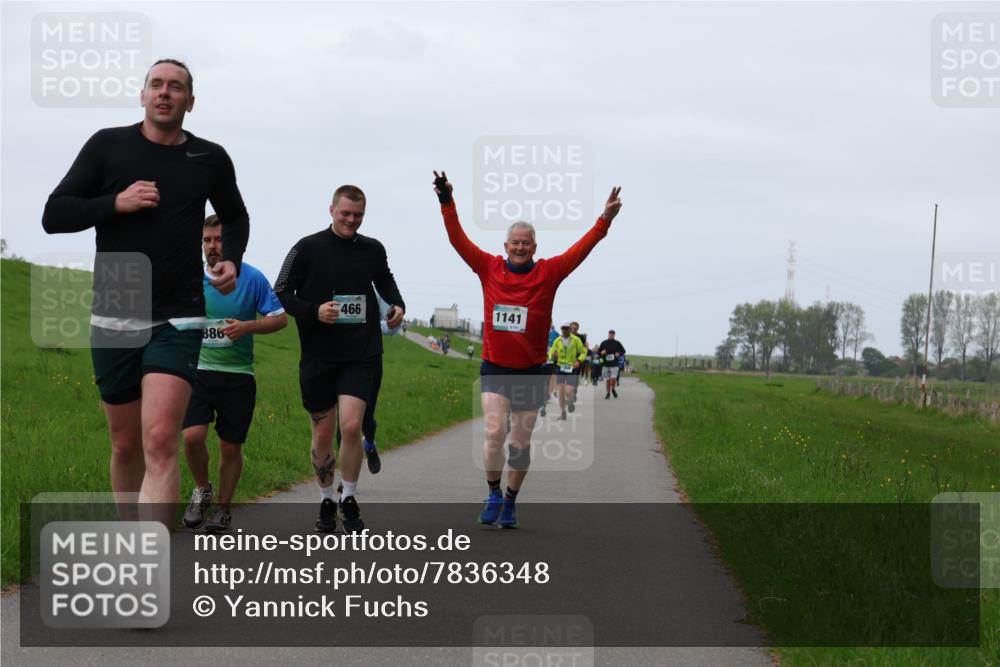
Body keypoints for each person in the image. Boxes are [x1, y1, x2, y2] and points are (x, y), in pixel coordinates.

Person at [42, 59, 249, 523]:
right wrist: (115, 203)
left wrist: (231, 257)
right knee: (125, 444)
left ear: (190, 102)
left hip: (179, 315)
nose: (164, 92)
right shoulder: (107, 145)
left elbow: (236, 215)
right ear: (142, 95)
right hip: (116, 307)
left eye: (175, 87)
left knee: (159, 439)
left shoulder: (210, 158)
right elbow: (54, 215)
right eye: (156, 84)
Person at [433, 170, 622, 528]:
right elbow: (458, 239)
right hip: (495, 367)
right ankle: (492, 492)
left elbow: (581, 250)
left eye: (526, 243)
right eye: (514, 243)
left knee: (519, 443)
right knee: (494, 433)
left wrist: (605, 219)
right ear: (505, 246)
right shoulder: (488, 267)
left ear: (535, 247)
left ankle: (510, 500)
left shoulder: (550, 273)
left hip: (532, 371)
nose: (520, 248)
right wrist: (446, 201)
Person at [274, 184, 404, 534]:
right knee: (323, 431)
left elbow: (385, 280)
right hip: (319, 355)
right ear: (331, 210)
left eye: (358, 215)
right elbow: (281, 291)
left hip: (361, 352)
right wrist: (314, 311)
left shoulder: (373, 249)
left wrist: (397, 304)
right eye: (346, 213)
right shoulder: (306, 248)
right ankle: (326, 499)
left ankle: (348, 496)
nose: (351, 220)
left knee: (351, 426)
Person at [181, 215, 287, 532]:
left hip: (238, 375)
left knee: (230, 447)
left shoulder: (252, 278)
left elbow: (280, 318)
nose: (213, 246)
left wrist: (247, 327)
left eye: (219, 240)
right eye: (207, 240)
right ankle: (202, 490)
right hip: (198, 371)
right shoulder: (188, 275)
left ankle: (223, 509)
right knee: (192, 437)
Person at [334, 289, 401, 479]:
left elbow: (393, 328)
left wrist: (368, 324)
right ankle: (345, 478)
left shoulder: (376, 291)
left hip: (368, 359)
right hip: (338, 358)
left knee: (366, 419)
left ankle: (369, 443)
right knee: (344, 421)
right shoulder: (332, 284)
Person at [548, 322, 588, 420]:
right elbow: (551, 352)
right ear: (561, 329)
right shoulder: (557, 341)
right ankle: (563, 412)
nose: (565, 331)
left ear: (569, 329)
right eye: (563, 329)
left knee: (569, 391)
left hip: (571, 367)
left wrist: (578, 361)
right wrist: (552, 356)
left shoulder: (576, 340)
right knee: (561, 392)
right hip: (560, 367)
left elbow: (583, 352)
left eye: (566, 329)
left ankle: (570, 402)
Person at [598, 330, 627, 399]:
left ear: (614, 335)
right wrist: (601, 352)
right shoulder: (603, 343)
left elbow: (623, 351)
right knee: (607, 380)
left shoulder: (617, 343)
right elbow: (598, 352)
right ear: (608, 334)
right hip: (605, 364)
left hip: (614, 364)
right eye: (610, 334)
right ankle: (608, 393)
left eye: (612, 334)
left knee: (613, 379)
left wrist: (619, 353)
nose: (611, 335)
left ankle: (613, 389)